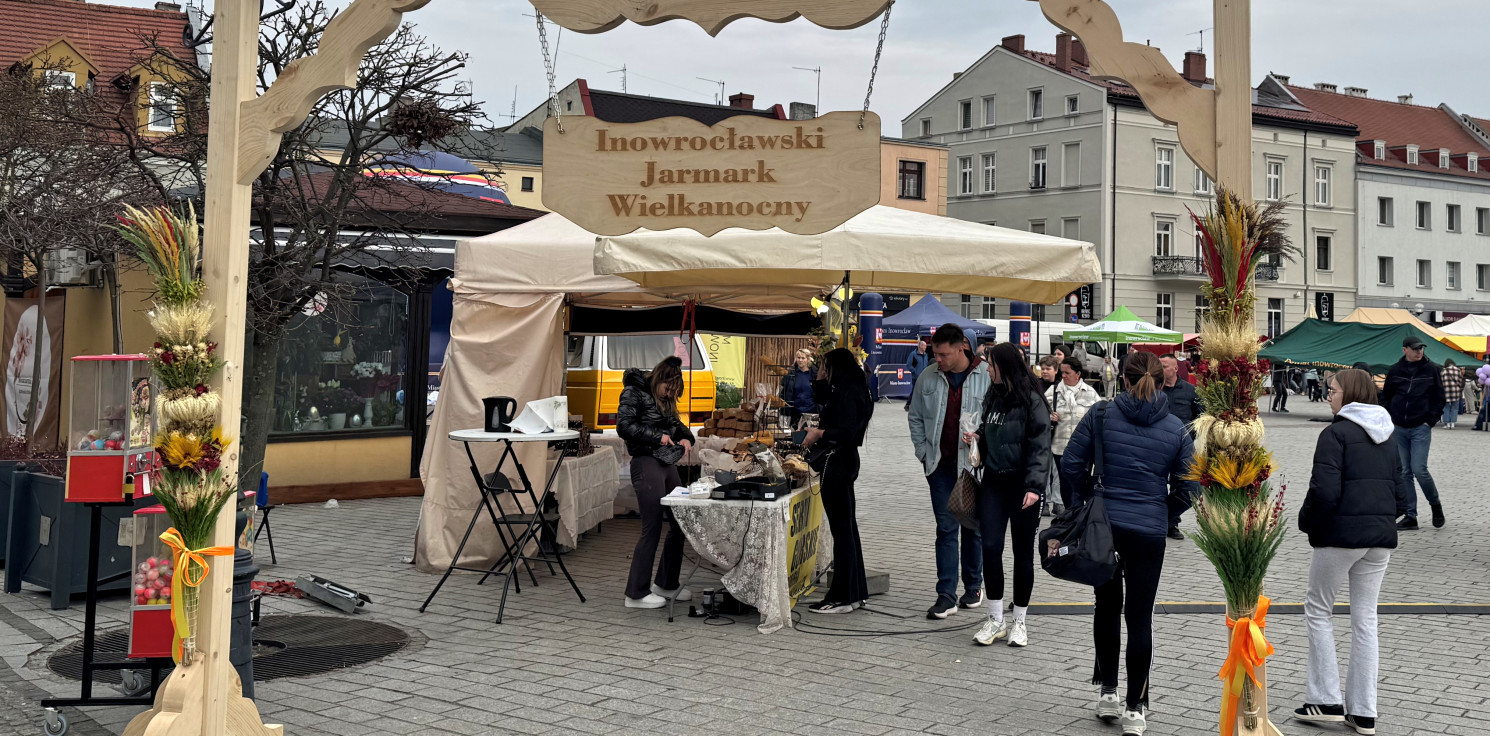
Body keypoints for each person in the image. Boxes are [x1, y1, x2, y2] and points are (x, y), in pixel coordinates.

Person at [1060, 352, 1196, 736]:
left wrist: (1084, 503)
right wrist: (1163, 514)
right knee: (1140, 616)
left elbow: (1070, 464)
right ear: (1162, 380)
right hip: (1149, 530)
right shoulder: (1175, 427)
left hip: (1105, 525)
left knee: (1106, 606)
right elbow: (1189, 487)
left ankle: (1107, 692)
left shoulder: (1101, 415)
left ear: (1121, 378)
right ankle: (1136, 709)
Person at [1293, 369, 1411, 735]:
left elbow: (1324, 492)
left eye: (1332, 390)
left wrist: (1308, 523)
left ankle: (1325, 700)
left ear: (1350, 395)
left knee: (1317, 609)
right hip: (1379, 540)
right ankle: (1363, 712)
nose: (1328, 396)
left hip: (1339, 538)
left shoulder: (1335, 433)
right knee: (1365, 619)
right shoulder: (1388, 434)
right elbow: (1404, 497)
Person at [966, 343, 1051, 648]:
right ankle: (996, 619)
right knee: (989, 547)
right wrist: (976, 440)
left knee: (1022, 553)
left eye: (991, 365)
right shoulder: (992, 396)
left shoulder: (1032, 401)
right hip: (993, 482)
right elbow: (992, 436)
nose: (987, 369)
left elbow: (1041, 448)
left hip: (1023, 486)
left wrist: (1034, 487)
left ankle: (1020, 622)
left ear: (1005, 366)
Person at [907, 323, 990, 619]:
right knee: (946, 528)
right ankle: (945, 594)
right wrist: (922, 452)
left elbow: (997, 419)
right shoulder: (929, 376)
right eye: (935, 353)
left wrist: (983, 439)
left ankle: (973, 585)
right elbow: (915, 416)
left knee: (972, 526)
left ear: (961, 348)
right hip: (939, 466)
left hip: (972, 467)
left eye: (943, 354)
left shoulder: (986, 375)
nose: (938, 359)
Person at [617, 356, 695, 609]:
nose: (670, 394)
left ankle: (666, 582)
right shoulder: (633, 392)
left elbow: (676, 424)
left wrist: (686, 439)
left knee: (679, 522)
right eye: (668, 389)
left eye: (674, 391)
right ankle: (636, 593)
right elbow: (624, 426)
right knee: (651, 527)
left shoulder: (664, 399)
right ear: (658, 379)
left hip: (665, 463)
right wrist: (657, 437)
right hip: (645, 461)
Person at [802, 348, 873, 613]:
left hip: (839, 462)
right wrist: (820, 378)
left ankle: (843, 596)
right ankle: (854, 591)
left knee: (842, 531)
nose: (824, 371)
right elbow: (825, 402)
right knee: (847, 530)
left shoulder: (851, 392)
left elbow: (845, 430)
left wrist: (820, 433)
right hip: (843, 461)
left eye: (826, 367)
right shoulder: (849, 388)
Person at [1381, 335, 1446, 530]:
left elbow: (1439, 398)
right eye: (1415, 348)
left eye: (1421, 348)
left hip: (1420, 427)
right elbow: (1386, 396)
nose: (1419, 351)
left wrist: (1430, 421)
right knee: (1405, 473)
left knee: (1419, 469)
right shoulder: (1395, 371)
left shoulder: (1432, 370)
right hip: (1399, 427)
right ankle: (1411, 516)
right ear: (1405, 350)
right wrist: (1390, 418)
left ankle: (1435, 505)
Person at [1158, 354, 1204, 541]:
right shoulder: (1155, 389)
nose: (1161, 369)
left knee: (1188, 487)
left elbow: (1201, 418)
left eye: (1165, 366)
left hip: (1182, 447)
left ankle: (1170, 520)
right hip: (1158, 446)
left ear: (1176, 369)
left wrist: (1190, 437)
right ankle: (1163, 522)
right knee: (1159, 486)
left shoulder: (1191, 391)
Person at [1046, 357, 1098, 516]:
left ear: (1078, 374)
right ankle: (1071, 513)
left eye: (1067, 373)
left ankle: (1078, 513)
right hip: (1059, 447)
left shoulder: (1090, 393)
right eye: (1062, 373)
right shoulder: (1052, 392)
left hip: (1083, 449)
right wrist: (1049, 417)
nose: (1064, 376)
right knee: (1065, 483)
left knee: (1082, 482)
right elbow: (1038, 416)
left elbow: (1098, 420)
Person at [779, 348, 817, 427]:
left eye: (803, 358)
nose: (800, 360)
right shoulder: (790, 375)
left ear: (808, 360)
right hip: (795, 413)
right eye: (798, 358)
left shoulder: (814, 374)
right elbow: (783, 393)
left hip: (812, 412)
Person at [905, 336, 931, 412]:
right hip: (916, 377)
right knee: (915, 391)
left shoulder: (926, 355)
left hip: (924, 376)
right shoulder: (913, 354)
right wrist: (915, 371)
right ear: (920, 346)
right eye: (924, 346)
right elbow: (909, 365)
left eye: (926, 346)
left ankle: (921, 406)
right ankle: (908, 404)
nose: (925, 347)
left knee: (923, 391)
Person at [1440, 359, 1464, 429]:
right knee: (1454, 408)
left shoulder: (1444, 370)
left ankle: (1447, 424)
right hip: (1455, 391)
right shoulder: (1458, 370)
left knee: (1446, 407)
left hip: (1446, 391)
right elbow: (1460, 381)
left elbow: (1441, 381)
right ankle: (1452, 423)